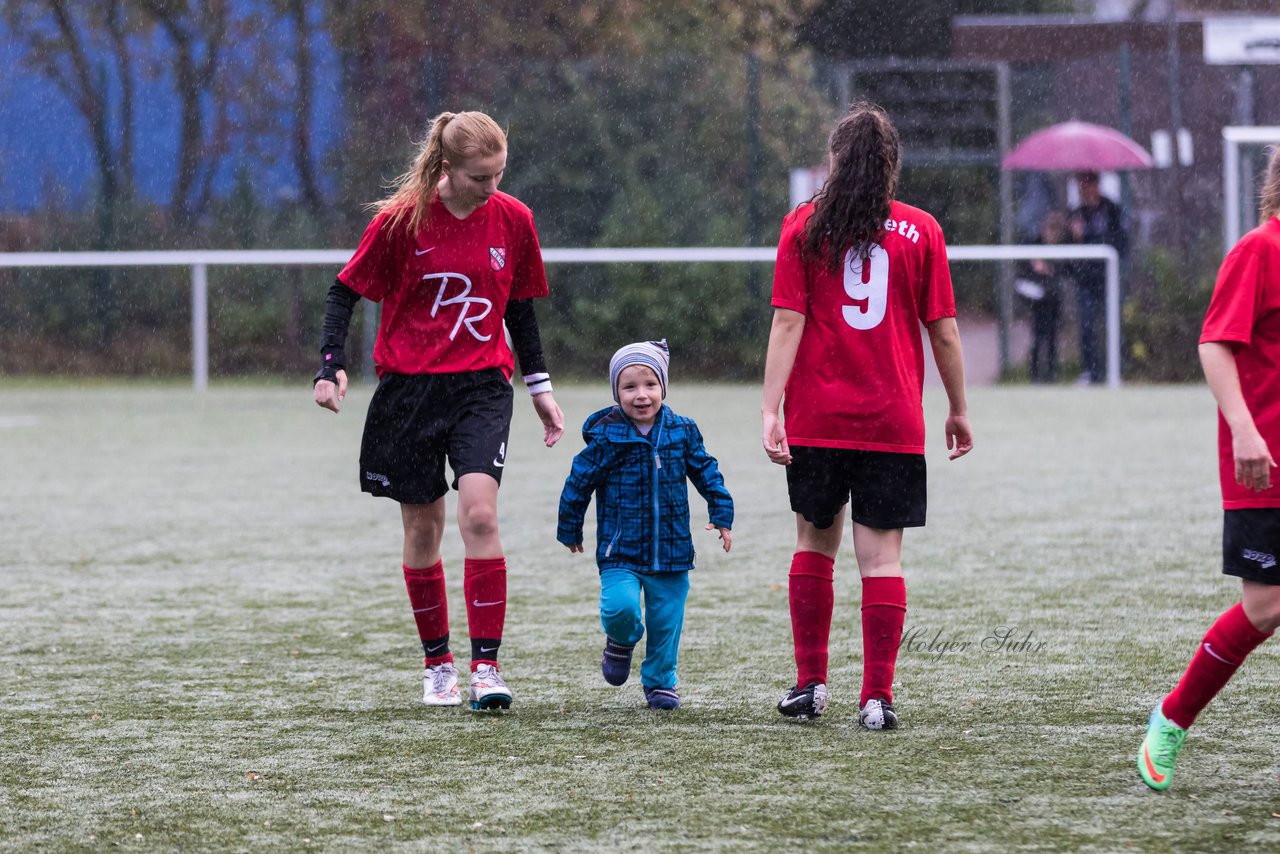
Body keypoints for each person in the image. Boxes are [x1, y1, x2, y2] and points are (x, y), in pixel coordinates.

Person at [312, 111, 564, 711]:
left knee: (479, 516)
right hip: (410, 393)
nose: (493, 188)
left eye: (500, 174)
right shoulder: (403, 220)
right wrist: (330, 364)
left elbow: (520, 310)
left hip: (481, 387)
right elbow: (344, 290)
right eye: (481, 178)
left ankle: (486, 669)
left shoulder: (514, 219)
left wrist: (540, 387)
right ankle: (438, 665)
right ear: (448, 167)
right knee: (423, 527)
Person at [761, 102, 973, 729]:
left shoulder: (801, 226)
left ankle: (809, 685)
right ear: (890, 167)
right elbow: (945, 332)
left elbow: (787, 321)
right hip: (892, 420)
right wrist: (959, 408)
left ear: (833, 162)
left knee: (813, 546)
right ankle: (877, 698)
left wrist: (770, 409)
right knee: (881, 560)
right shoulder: (922, 230)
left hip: (819, 418)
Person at [1136, 147, 1280, 791]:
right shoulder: (1260, 250)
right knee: (1266, 605)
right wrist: (1245, 429)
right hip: (1264, 460)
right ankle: (1172, 716)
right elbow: (1215, 344)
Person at [557, 340, 733, 711]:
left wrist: (721, 511)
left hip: (671, 550)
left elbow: (706, 471)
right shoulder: (606, 436)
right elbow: (579, 481)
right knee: (620, 608)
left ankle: (660, 682)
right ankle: (621, 640)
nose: (641, 395)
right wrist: (570, 527)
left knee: (666, 623)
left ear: (663, 387)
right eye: (630, 387)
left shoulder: (682, 431)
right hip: (619, 549)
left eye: (650, 385)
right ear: (616, 392)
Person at [1066, 171, 1128, 385]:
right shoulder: (1075, 214)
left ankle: (1116, 369)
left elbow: (1121, 243)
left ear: (1097, 184)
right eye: (1081, 185)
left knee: (1113, 325)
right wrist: (1076, 238)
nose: (1085, 189)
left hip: (1108, 280)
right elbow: (1068, 254)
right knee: (1087, 325)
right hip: (1085, 281)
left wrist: (1095, 238)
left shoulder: (1112, 210)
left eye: (1088, 184)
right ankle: (1090, 371)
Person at [1016, 211, 1070, 383]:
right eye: (1049, 229)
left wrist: (1050, 270)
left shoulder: (1062, 248)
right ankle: (1034, 373)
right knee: (1038, 337)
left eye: (1055, 231)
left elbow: (1065, 271)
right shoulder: (1035, 245)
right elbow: (1024, 270)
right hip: (1039, 302)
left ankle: (1051, 373)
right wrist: (1036, 269)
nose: (1051, 234)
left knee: (1052, 337)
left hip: (1054, 300)